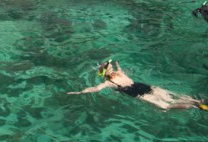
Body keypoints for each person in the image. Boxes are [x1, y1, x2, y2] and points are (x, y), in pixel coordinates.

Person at [67, 60, 208, 111]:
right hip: (144, 86)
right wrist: (117, 64)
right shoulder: (119, 74)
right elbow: (119, 69)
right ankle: (197, 101)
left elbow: (95, 88)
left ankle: (195, 106)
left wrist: (79, 92)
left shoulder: (109, 83)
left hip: (137, 93)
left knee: (166, 106)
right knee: (171, 96)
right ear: (111, 69)